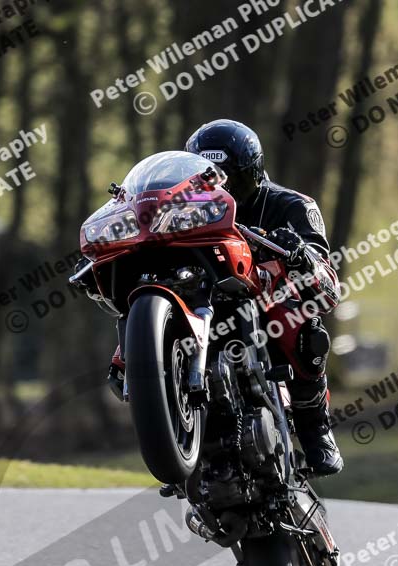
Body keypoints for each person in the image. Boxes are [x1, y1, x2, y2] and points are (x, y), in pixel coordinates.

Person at [77, 119, 343, 476]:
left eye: (230, 175)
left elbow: (328, 287)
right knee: (120, 365)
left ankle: (316, 430)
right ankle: (175, 423)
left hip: (258, 301)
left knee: (302, 323)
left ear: (253, 172)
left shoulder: (291, 205)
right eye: (210, 176)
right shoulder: (180, 207)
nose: (223, 184)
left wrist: (301, 255)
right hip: (196, 294)